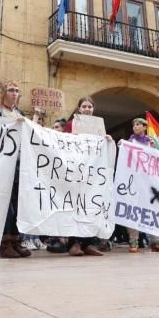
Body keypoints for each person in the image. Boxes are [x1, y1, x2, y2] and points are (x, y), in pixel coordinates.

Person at [0, 81, 30, 259]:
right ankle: (5, 243)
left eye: (17, 91)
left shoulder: (20, 113)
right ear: (4, 93)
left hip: (20, 165)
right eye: (11, 90)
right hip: (4, 163)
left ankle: (15, 240)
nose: (14, 93)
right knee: (8, 206)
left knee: (18, 204)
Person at [59, 96, 105, 256]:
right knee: (77, 207)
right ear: (79, 109)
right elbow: (63, 142)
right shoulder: (72, 124)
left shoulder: (99, 126)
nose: (87, 109)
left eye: (89, 107)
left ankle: (88, 243)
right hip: (75, 172)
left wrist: (108, 140)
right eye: (84, 106)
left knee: (91, 207)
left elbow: (101, 146)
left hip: (91, 174)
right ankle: (74, 243)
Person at [123, 117, 159, 253]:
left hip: (149, 182)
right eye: (134, 125)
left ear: (144, 127)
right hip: (135, 181)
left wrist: (155, 149)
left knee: (153, 210)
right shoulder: (130, 142)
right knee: (133, 210)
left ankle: (156, 241)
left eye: (138, 124)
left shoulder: (151, 142)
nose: (135, 127)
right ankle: (133, 241)